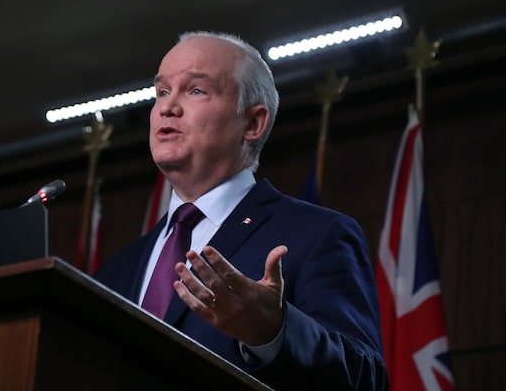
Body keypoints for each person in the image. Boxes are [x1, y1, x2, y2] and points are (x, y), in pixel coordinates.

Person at [93, 31, 388, 390]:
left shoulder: (318, 235)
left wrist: (275, 333)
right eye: (163, 92)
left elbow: (366, 380)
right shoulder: (115, 271)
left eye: (196, 90)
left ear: (252, 123)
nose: (168, 108)